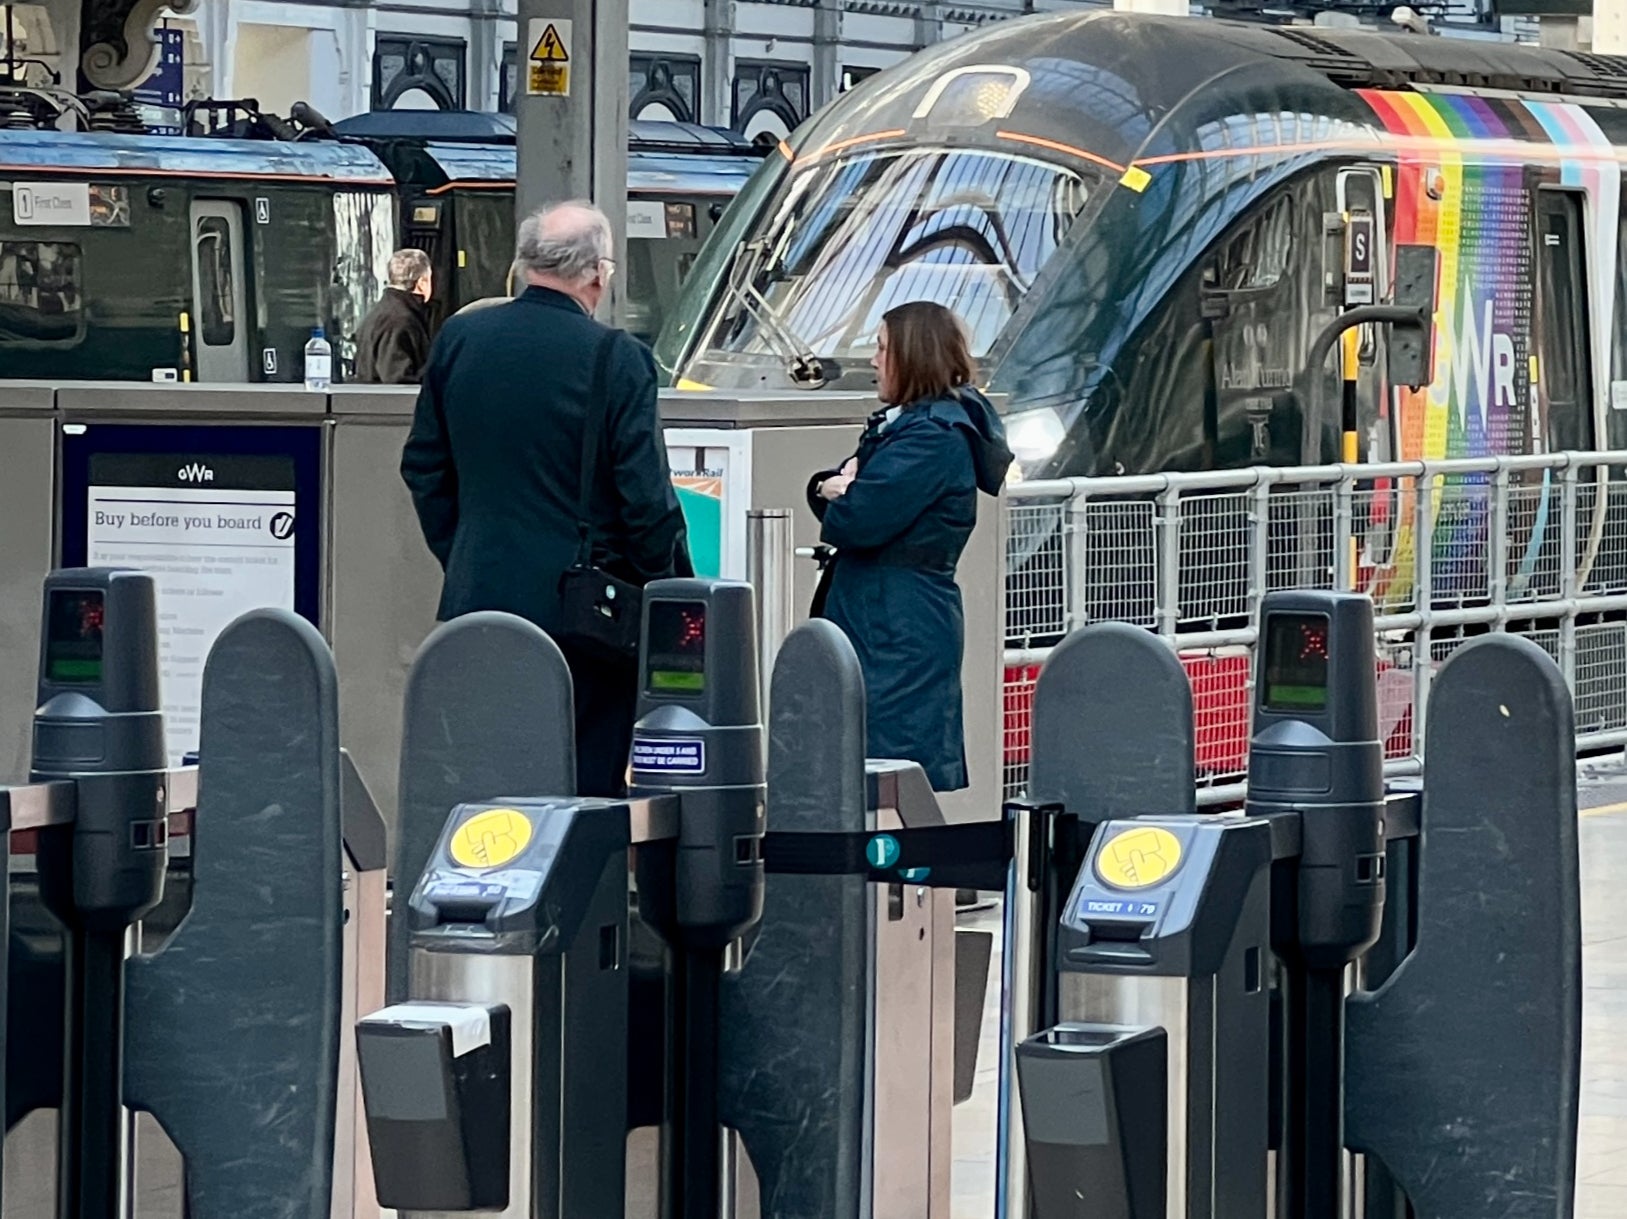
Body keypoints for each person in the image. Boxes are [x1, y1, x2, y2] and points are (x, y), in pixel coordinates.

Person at [401, 201, 691, 796]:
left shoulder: (461, 338)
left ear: (525, 263)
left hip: (478, 604)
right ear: (598, 274)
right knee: (578, 791)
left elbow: (425, 467)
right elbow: (645, 501)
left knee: (488, 780)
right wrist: (670, 587)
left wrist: (465, 553)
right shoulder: (617, 359)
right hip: (584, 622)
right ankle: (570, 892)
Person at [807, 301, 1012, 792]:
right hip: (891, 617)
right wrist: (827, 488)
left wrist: (836, 491)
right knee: (873, 768)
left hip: (894, 626)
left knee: (886, 772)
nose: (873, 360)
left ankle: (887, 872)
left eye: (882, 348)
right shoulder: (916, 427)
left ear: (912, 356)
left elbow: (857, 518)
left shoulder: (931, 437)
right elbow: (842, 494)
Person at [356, 248, 434, 384]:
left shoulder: (381, 312)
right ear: (422, 283)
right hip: (390, 404)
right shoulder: (400, 320)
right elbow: (398, 380)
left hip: (370, 402)